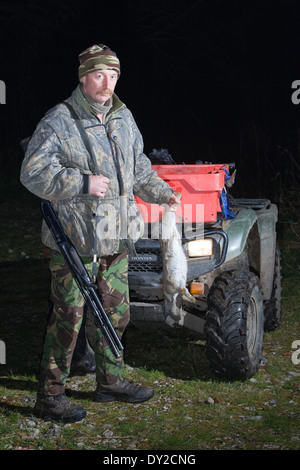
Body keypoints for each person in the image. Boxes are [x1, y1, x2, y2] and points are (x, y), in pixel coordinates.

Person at [20, 44, 180, 423]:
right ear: (83, 77)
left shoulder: (124, 118)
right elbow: (32, 173)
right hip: (75, 240)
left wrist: (164, 194)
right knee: (69, 317)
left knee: (116, 313)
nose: (107, 83)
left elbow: (139, 167)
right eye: (99, 75)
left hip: (116, 236)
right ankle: (50, 395)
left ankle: (111, 381)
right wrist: (81, 183)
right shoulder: (60, 120)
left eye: (113, 75)